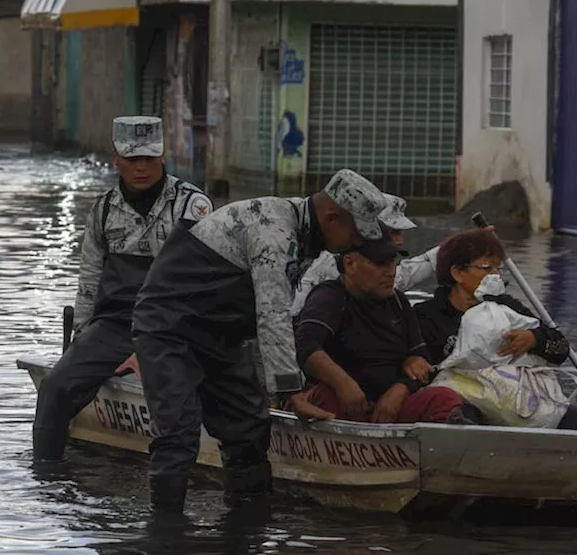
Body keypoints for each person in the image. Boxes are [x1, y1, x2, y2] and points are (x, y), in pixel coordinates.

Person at [131, 168, 388, 513]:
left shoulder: (306, 231)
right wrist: (289, 391)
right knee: (178, 435)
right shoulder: (274, 231)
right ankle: (165, 534)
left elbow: (279, 315)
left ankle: (247, 528)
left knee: (249, 429)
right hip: (167, 327)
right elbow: (272, 314)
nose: (357, 243)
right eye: (356, 233)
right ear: (332, 218)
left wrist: (279, 381)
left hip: (220, 333)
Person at [31, 116, 211, 462]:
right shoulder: (103, 211)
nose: (141, 168)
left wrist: (160, 348)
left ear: (163, 156)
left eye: (149, 158)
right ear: (116, 158)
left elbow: (203, 284)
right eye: (132, 160)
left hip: (173, 327)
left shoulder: (192, 206)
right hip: (114, 326)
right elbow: (89, 282)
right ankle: (47, 481)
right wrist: (78, 344)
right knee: (55, 388)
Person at [412, 228, 577, 430]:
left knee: (570, 416)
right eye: (487, 268)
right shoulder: (427, 315)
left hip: (511, 399)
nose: (495, 276)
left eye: (498, 269)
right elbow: (421, 370)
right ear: (458, 272)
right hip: (465, 398)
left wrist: (534, 339)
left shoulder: (505, 307)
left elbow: (561, 348)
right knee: (461, 415)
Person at [295, 231, 466, 424]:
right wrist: (342, 383)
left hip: (388, 407)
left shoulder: (398, 302)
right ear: (350, 264)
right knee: (326, 397)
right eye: (380, 263)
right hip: (341, 404)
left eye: (392, 262)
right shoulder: (329, 297)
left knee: (444, 398)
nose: (391, 271)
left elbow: (422, 361)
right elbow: (305, 345)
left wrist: (401, 389)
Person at [290, 193, 437, 315]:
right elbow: (392, 282)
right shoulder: (339, 259)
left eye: (401, 233)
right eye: (393, 232)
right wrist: (440, 255)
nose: (399, 241)